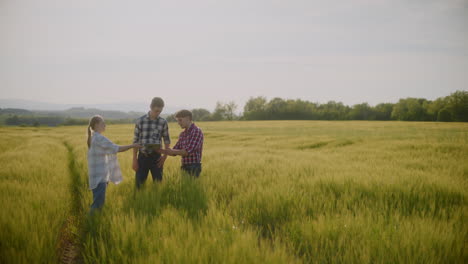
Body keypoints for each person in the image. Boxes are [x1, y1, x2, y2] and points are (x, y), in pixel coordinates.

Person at [87, 115, 140, 213]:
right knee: (97, 205)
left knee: (98, 203)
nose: (105, 125)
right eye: (103, 123)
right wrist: (133, 145)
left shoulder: (94, 137)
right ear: (96, 125)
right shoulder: (99, 138)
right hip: (99, 177)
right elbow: (117, 148)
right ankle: (89, 222)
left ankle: (93, 222)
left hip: (97, 176)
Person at [132, 97, 171, 188]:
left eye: (160, 111)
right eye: (156, 111)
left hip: (156, 158)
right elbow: (135, 141)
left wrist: (164, 157)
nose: (158, 113)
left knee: (158, 185)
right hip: (142, 157)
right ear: (151, 107)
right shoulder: (140, 121)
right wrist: (134, 159)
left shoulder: (163, 122)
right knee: (139, 186)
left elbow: (167, 140)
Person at [159, 110, 204, 177]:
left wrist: (171, 151)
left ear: (188, 118)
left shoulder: (196, 131)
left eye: (180, 120)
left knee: (191, 187)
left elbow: (187, 152)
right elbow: (174, 150)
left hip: (194, 167)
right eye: (178, 121)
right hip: (184, 167)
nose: (178, 123)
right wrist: (159, 150)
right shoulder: (182, 134)